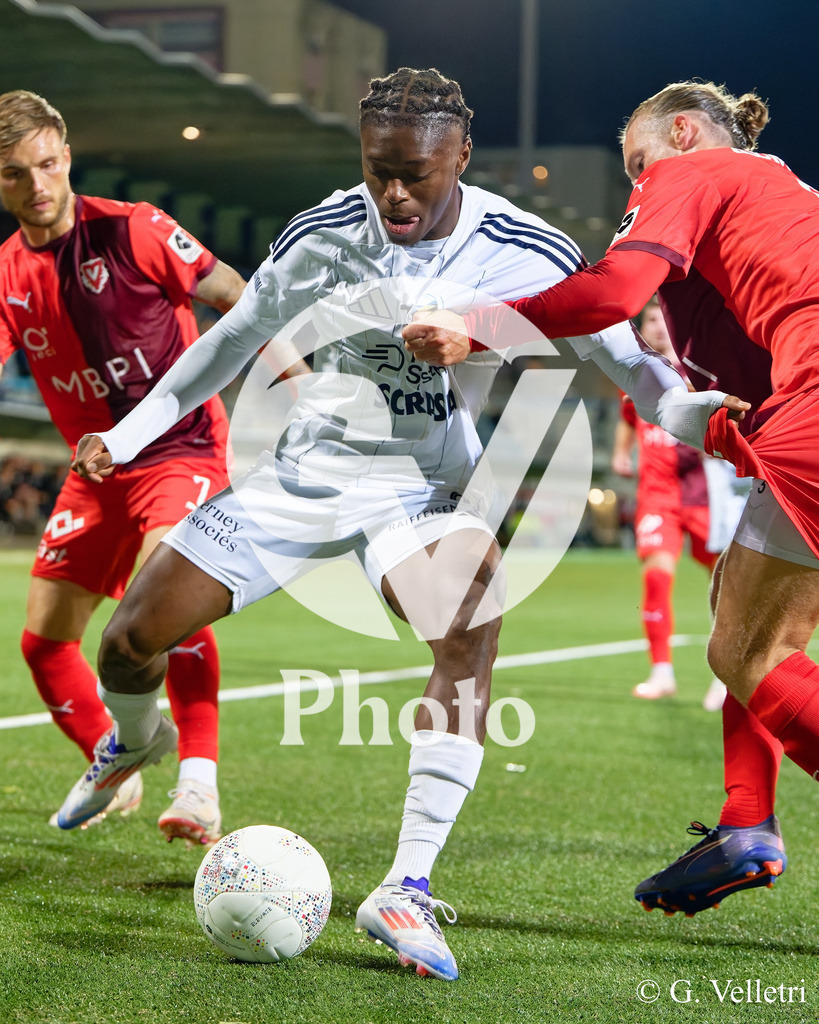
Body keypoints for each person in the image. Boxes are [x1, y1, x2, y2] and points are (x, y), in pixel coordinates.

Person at [52, 68, 727, 981]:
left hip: (416, 488)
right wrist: (126, 437)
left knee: (471, 617)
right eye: (379, 173)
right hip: (302, 477)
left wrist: (706, 422)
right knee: (128, 643)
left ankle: (404, 885)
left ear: (461, 154)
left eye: (416, 173)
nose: (395, 194)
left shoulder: (522, 243)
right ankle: (132, 743)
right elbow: (225, 343)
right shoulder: (324, 232)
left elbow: (629, 364)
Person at [403, 79, 816, 919]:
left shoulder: (695, 172)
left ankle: (748, 824)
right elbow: (724, 371)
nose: (638, 188)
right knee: (753, 623)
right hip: (799, 406)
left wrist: (480, 324)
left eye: (639, 164)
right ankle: (745, 824)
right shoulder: (775, 192)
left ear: (687, 132)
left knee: (748, 654)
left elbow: (611, 294)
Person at [0, 89, 247, 845]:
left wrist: (291, 374)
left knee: (159, 604)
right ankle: (119, 761)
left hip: (181, 447)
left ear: (66, 156)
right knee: (43, 642)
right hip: (96, 469)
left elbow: (232, 293)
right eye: (15, 174)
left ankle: (199, 784)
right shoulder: (6, 271)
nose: (37, 185)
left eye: (47, 165)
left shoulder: (135, 227)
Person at [612, 297, 735, 710]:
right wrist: (620, 454)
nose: (659, 327)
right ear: (641, 330)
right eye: (651, 320)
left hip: (703, 493)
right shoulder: (632, 375)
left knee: (722, 584)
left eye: (665, 318)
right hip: (658, 494)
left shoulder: (698, 371)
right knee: (657, 579)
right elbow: (628, 419)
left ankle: (725, 676)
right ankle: (661, 672)